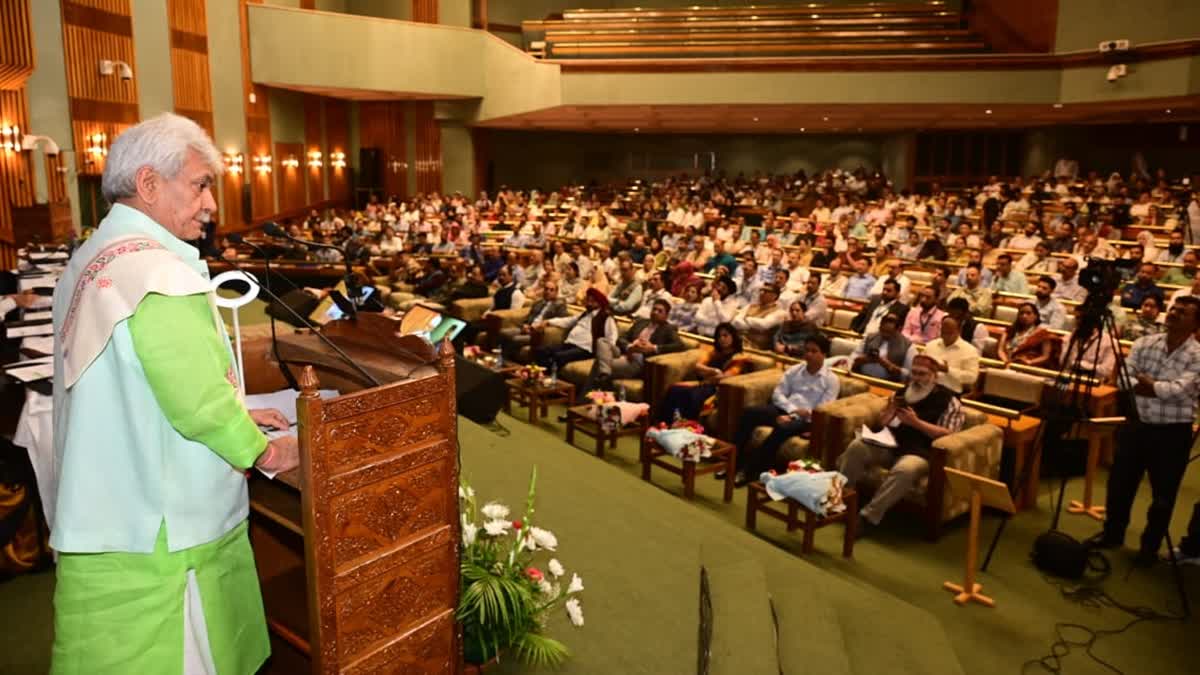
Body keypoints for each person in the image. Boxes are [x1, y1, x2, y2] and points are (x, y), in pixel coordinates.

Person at [50, 114, 297, 673]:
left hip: (107, 497)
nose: (211, 203)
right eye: (200, 184)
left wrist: (237, 407)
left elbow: (131, 378)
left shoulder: (92, 259)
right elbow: (197, 404)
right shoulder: (157, 271)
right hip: (163, 524)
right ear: (149, 184)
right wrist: (266, 450)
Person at [1088, 297, 1200, 566]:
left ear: (1196, 323)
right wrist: (1159, 386)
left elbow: (1179, 391)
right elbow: (1126, 379)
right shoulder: (1144, 343)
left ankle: (1149, 547)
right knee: (1120, 484)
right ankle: (1112, 533)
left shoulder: (1197, 355)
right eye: (1173, 308)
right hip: (1136, 425)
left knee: (1163, 494)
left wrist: (1151, 385)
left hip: (1172, 434)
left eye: (1182, 312)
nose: (1173, 313)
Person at [837, 354, 965, 528]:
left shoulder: (949, 401)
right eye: (914, 373)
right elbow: (883, 423)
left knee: (905, 470)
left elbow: (949, 435)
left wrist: (916, 423)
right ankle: (841, 500)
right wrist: (888, 414)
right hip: (892, 444)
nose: (917, 378)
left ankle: (868, 517)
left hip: (921, 451)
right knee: (857, 447)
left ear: (935, 376)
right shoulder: (902, 392)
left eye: (922, 374)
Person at [733, 335, 839, 486]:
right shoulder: (795, 370)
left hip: (807, 421)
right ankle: (734, 463)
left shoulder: (831, 379)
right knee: (749, 413)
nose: (808, 354)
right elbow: (778, 394)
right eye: (807, 350)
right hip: (786, 409)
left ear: (824, 355)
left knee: (782, 428)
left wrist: (795, 416)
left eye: (814, 351)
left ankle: (750, 471)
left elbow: (823, 409)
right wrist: (792, 411)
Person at [655, 323, 754, 424]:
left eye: (725, 335)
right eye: (719, 336)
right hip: (703, 383)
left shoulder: (739, 358)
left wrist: (707, 375)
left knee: (691, 395)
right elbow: (698, 366)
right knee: (674, 389)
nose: (722, 339)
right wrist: (713, 371)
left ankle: (686, 426)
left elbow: (724, 377)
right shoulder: (714, 352)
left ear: (733, 337)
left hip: (718, 390)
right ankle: (664, 424)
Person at [583, 298, 685, 395]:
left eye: (660, 311)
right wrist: (629, 346)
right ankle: (605, 372)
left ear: (666, 315)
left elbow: (679, 346)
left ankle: (593, 387)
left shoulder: (668, 329)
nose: (655, 312)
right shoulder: (641, 322)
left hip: (636, 361)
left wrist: (653, 347)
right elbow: (621, 338)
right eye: (654, 309)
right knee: (601, 341)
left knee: (598, 364)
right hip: (624, 352)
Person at [533, 288, 617, 372]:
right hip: (570, 344)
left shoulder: (606, 317)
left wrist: (604, 353)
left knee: (558, 356)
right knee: (541, 351)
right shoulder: (585, 314)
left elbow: (612, 336)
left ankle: (545, 376)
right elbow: (567, 321)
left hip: (585, 349)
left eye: (592, 301)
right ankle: (535, 374)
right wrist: (548, 321)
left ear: (599, 303)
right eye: (588, 300)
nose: (589, 303)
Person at [497, 278, 568, 361]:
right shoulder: (538, 302)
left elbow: (560, 322)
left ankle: (504, 361)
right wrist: (525, 325)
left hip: (538, 334)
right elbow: (529, 316)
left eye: (551, 290)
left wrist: (536, 329)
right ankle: (500, 357)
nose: (548, 291)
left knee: (515, 339)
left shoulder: (560, 305)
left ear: (556, 292)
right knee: (503, 333)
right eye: (546, 289)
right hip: (527, 328)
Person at [923, 314, 981, 394]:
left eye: (949, 333)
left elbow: (972, 377)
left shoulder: (970, 351)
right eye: (943, 332)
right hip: (925, 390)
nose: (945, 336)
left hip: (950, 394)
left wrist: (948, 370)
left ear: (959, 331)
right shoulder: (930, 345)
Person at [851, 313, 916, 383]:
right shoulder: (869, 337)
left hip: (888, 383)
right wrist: (865, 359)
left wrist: (888, 365)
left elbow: (909, 374)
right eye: (882, 331)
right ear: (880, 327)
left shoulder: (908, 346)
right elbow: (853, 357)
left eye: (889, 333)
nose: (885, 335)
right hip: (861, 378)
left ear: (899, 330)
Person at [1059, 305, 1118, 381]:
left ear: (1092, 321)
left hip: (1095, 382)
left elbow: (1106, 371)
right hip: (1069, 378)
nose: (1077, 322)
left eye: (1081, 319)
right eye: (1076, 318)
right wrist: (1070, 341)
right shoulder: (1070, 337)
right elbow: (1063, 363)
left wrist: (1080, 364)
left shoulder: (1110, 342)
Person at [996, 302, 1056, 367]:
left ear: (1036, 316)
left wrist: (1029, 362)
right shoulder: (1010, 330)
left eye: (1028, 313)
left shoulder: (1042, 333)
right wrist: (1006, 361)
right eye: (1021, 313)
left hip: (1027, 367)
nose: (1024, 316)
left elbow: (1045, 356)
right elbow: (1000, 349)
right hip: (1005, 363)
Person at [732, 284, 787, 349]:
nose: (761, 293)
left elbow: (764, 325)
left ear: (774, 296)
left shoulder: (779, 312)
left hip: (757, 346)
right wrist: (751, 325)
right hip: (738, 341)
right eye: (761, 290)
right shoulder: (751, 306)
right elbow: (735, 321)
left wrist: (746, 319)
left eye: (766, 291)